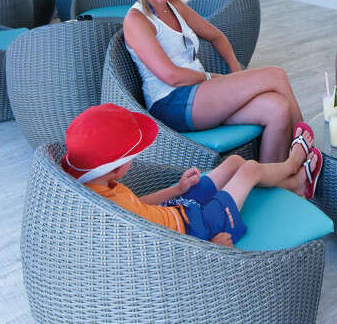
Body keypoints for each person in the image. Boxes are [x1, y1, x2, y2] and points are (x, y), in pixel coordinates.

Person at [123, 0, 306, 164]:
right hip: (171, 102)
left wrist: (236, 74)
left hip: (199, 94)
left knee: (277, 108)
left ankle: (274, 178)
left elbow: (217, 36)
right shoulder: (137, 19)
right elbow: (171, 76)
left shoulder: (176, 7)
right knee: (276, 75)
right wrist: (209, 77)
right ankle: (306, 150)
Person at [62, 104, 323, 247]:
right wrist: (211, 247)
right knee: (249, 169)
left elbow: (138, 205)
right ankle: (292, 165)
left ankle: (294, 186)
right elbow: (161, 253)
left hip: (176, 208)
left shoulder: (98, 185)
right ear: (117, 168)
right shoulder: (109, 213)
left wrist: (177, 189)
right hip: (197, 231)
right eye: (133, 157)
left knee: (234, 162)